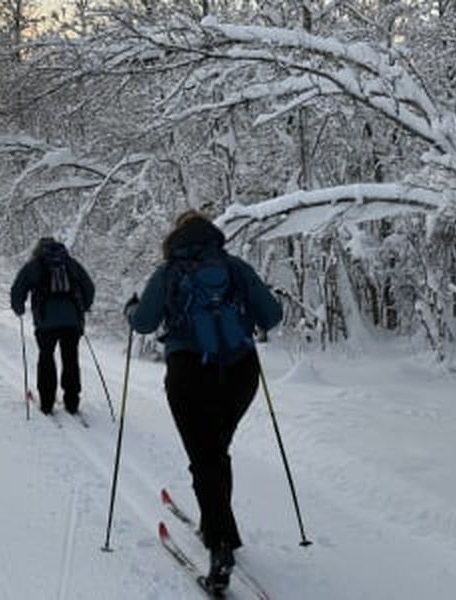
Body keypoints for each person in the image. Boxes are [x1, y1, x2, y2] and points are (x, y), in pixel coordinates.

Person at [125, 210, 282, 594]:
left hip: (189, 372)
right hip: (240, 372)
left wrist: (130, 309)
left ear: (176, 237)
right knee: (217, 451)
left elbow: (144, 323)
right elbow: (273, 316)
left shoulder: (168, 272)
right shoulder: (234, 266)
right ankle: (219, 527)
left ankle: (220, 544)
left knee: (204, 456)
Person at [10, 237, 95, 415]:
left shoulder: (34, 265)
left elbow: (18, 288)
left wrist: (18, 308)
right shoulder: (70, 263)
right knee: (71, 359)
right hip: (72, 321)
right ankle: (72, 402)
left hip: (46, 321)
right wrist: (84, 307)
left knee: (46, 357)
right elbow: (89, 286)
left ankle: (47, 402)